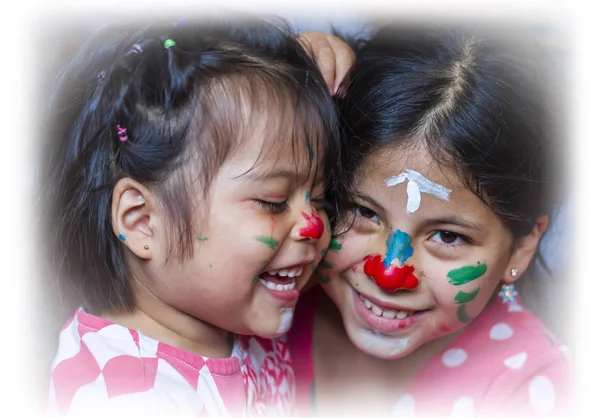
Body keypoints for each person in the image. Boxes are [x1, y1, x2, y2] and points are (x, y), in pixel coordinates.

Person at [38, 13, 339, 417]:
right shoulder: (121, 397)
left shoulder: (233, 311)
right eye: (273, 201)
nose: (315, 227)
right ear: (143, 221)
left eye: (321, 201)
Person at [288, 23, 571, 417]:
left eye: (448, 236)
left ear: (521, 246)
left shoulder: (532, 390)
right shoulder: (265, 300)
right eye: (364, 212)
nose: (389, 272)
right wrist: (275, 79)